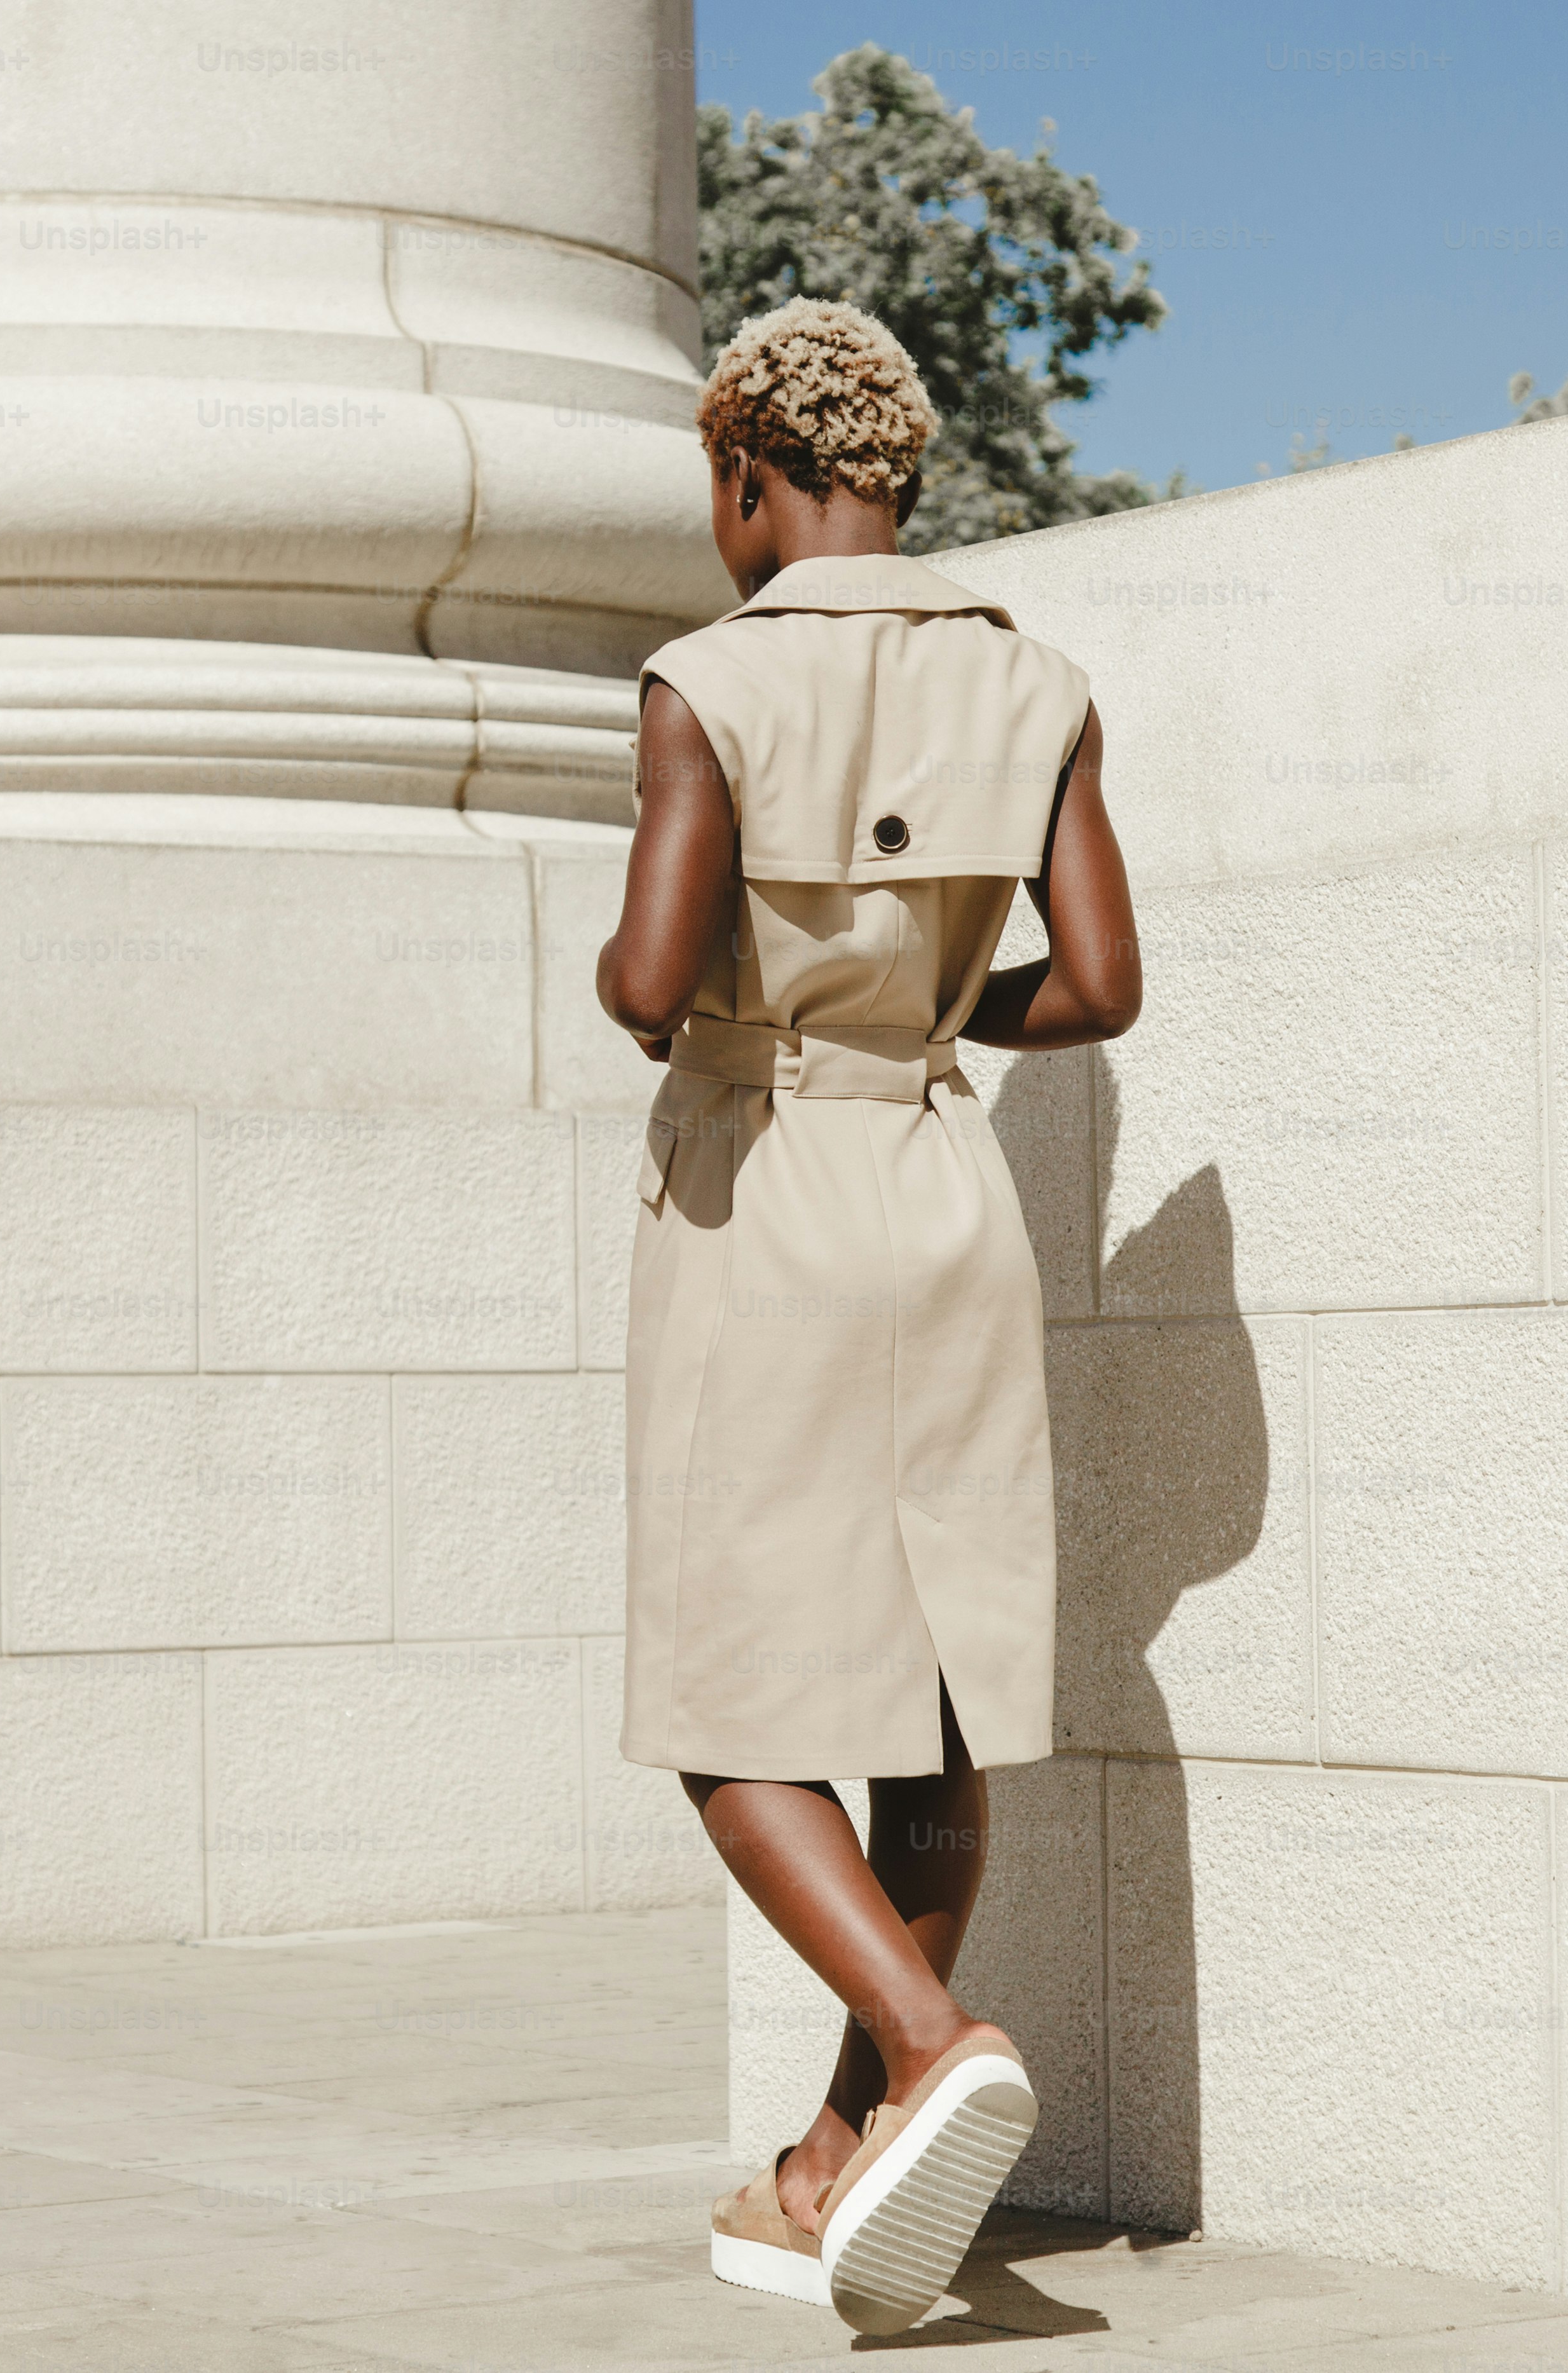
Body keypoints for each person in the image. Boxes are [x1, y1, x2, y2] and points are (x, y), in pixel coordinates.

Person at [596, 296, 1143, 2337]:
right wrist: (916, 1006)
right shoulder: (1037, 684)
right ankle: (842, 2153)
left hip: (769, 1195)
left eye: (717, 494)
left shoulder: (708, 682)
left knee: (725, 1701)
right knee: (932, 1699)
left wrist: (753, 998)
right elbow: (1097, 986)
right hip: (945, 1185)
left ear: (750, 474)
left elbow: (653, 979)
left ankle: (928, 2041)